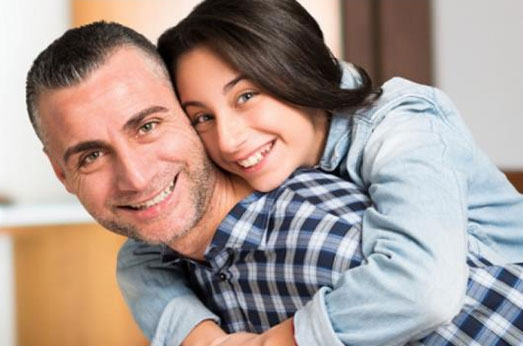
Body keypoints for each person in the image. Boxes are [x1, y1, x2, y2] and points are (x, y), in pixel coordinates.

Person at [25, 21, 522, 346]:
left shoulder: (358, 207)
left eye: (148, 125)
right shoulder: (172, 261)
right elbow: (138, 263)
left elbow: (429, 294)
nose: (135, 177)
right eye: (90, 155)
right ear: (61, 173)